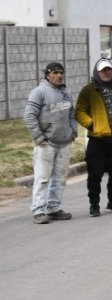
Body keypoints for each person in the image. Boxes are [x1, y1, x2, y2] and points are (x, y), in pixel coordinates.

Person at [75, 59, 112, 216]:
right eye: (103, 70)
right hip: (98, 140)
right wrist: (91, 124)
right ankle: (94, 204)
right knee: (95, 174)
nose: (106, 72)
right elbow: (80, 111)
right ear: (97, 72)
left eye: (109, 70)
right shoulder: (88, 90)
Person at [24, 62, 78, 224]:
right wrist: (39, 137)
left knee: (60, 178)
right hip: (45, 144)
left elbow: (71, 114)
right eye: (55, 73)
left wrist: (73, 132)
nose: (59, 76)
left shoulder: (66, 92)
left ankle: (53, 208)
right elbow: (29, 116)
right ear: (47, 75)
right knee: (42, 178)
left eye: (61, 73)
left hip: (64, 142)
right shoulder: (39, 92)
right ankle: (38, 210)